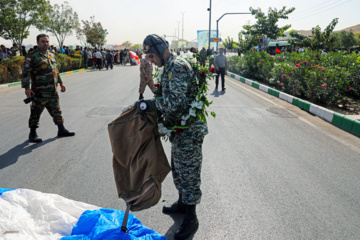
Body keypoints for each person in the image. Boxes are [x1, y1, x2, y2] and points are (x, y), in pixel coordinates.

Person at [142, 34, 208, 240]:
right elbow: (165, 94)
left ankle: (191, 219)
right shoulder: (169, 68)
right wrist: (151, 84)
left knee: (188, 172)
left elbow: (174, 104)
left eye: (152, 56)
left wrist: (148, 105)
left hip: (189, 131)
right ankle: (182, 203)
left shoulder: (177, 66)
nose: (151, 61)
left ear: (162, 49)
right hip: (180, 129)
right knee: (179, 168)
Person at [21, 34, 75, 143]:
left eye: (47, 41)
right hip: (39, 92)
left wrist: (61, 83)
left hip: (52, 91)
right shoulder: (32, 56)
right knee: (35, 113)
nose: (45, 43)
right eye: (43, 41)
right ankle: (32, 134)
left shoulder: (51, 54)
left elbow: (55, 71)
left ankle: (61, 129)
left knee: (57, 110)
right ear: (37, 42)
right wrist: (27, 88)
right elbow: (26, 73)